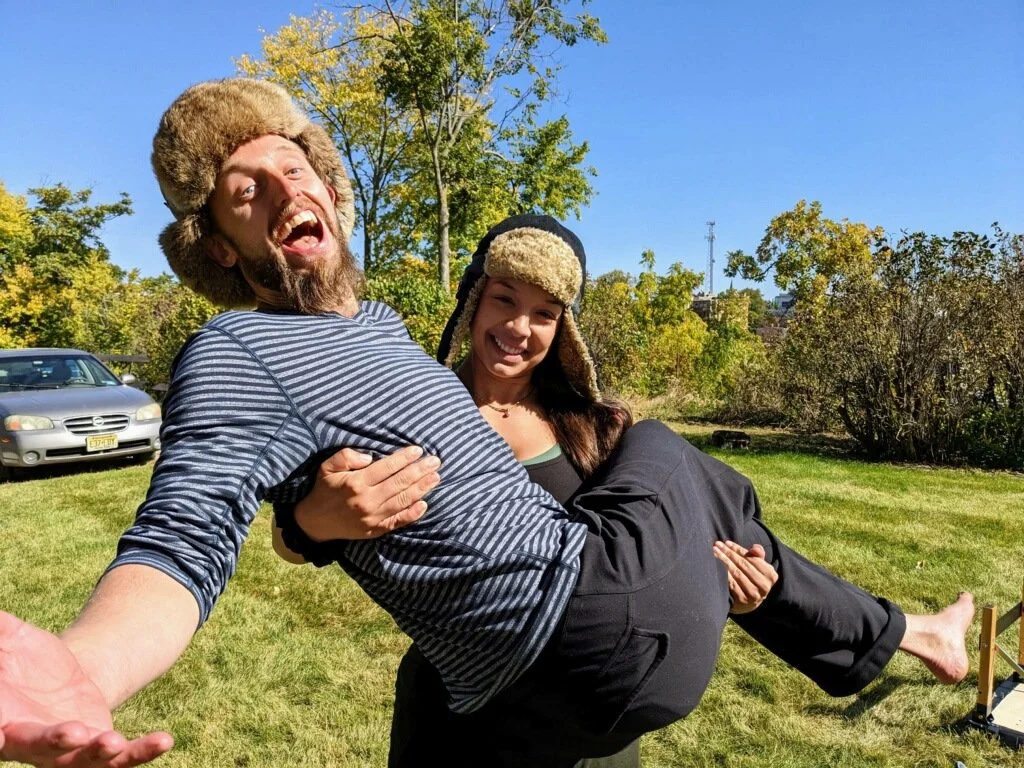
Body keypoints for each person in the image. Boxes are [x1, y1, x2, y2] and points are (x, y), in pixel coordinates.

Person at [0, 79, 974, 768]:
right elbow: (186, 531)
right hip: (557, 653)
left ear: (331, 188)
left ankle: (905, 631)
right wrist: (88, 665)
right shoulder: (236, 349)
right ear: (218, 244)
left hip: (598, 662)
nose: (284, 189)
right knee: (663, 446)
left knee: (695, 482)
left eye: (295, 167)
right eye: (245, 190)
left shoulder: (385, 335)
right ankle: (898, 632)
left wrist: (713, 567)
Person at [277, 214, 978, 766]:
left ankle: (906, 631)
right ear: (473, 301)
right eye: (504, 300)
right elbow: (289, 539)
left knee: (708, 501)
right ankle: (910, 633)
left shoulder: (597, 427)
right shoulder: (414, 408)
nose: (518, 329)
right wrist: (314, 520)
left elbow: (651, 569)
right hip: (462, 714)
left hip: (587, 719)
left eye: (545, 313)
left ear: (564, 330)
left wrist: (735, 587)